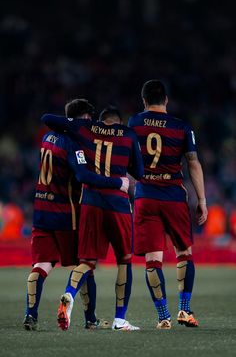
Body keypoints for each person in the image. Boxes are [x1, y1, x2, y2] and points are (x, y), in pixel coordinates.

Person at [23, 99, 129, 331]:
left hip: (41, 212)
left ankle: (30, 315)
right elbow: (82, 176)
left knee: (41, 265)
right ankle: (90, 319)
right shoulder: (73, 143)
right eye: (88, 119)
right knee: (86, 263)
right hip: (66, 214)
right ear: (80, 119)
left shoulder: (46, 138)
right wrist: (117, 182)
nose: (91, 123)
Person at [128, 79, 208, 329]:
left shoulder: (134, 123)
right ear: (166, 101)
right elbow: (193, 163)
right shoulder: (181, 127)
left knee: (153, 259)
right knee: (184, 252)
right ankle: (184, 311)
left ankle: (163, 316)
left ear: (144, 101)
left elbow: (127, 159)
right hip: (173, 195)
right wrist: (202, 200)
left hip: (146, 196)